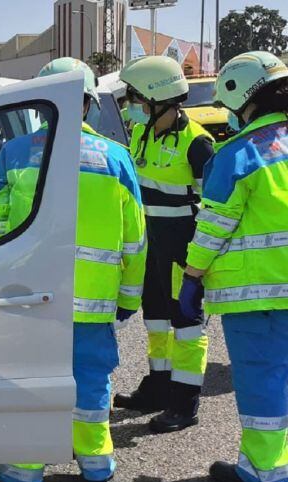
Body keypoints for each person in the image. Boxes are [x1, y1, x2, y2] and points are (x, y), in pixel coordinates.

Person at [0, 58, 146, 482]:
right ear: (88, 104)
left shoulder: (14, 153)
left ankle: (23, 472)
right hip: (93, 300)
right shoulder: (117, 159)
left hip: (29, 299)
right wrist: (128, 299)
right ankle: (96, 465)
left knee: (30, 381)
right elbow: (135, 242)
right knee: (91, 381)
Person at [178, 51, 288, 482]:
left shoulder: (238, 155)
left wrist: (191, 278)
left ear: (240, 96)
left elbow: (212, 230)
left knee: (264, 380)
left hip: (257, 295)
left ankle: (264, 473)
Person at [112, 56, 216, 433]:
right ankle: (158, 386)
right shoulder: (141, 133)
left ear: (159, 99)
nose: (134, 109)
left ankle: (184, 403)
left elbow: (214, 210)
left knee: (186, 325)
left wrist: (199, 265)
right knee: (155, 319)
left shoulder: (198, 145)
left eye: (138, 101)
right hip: (151, 247)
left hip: (181, 251)